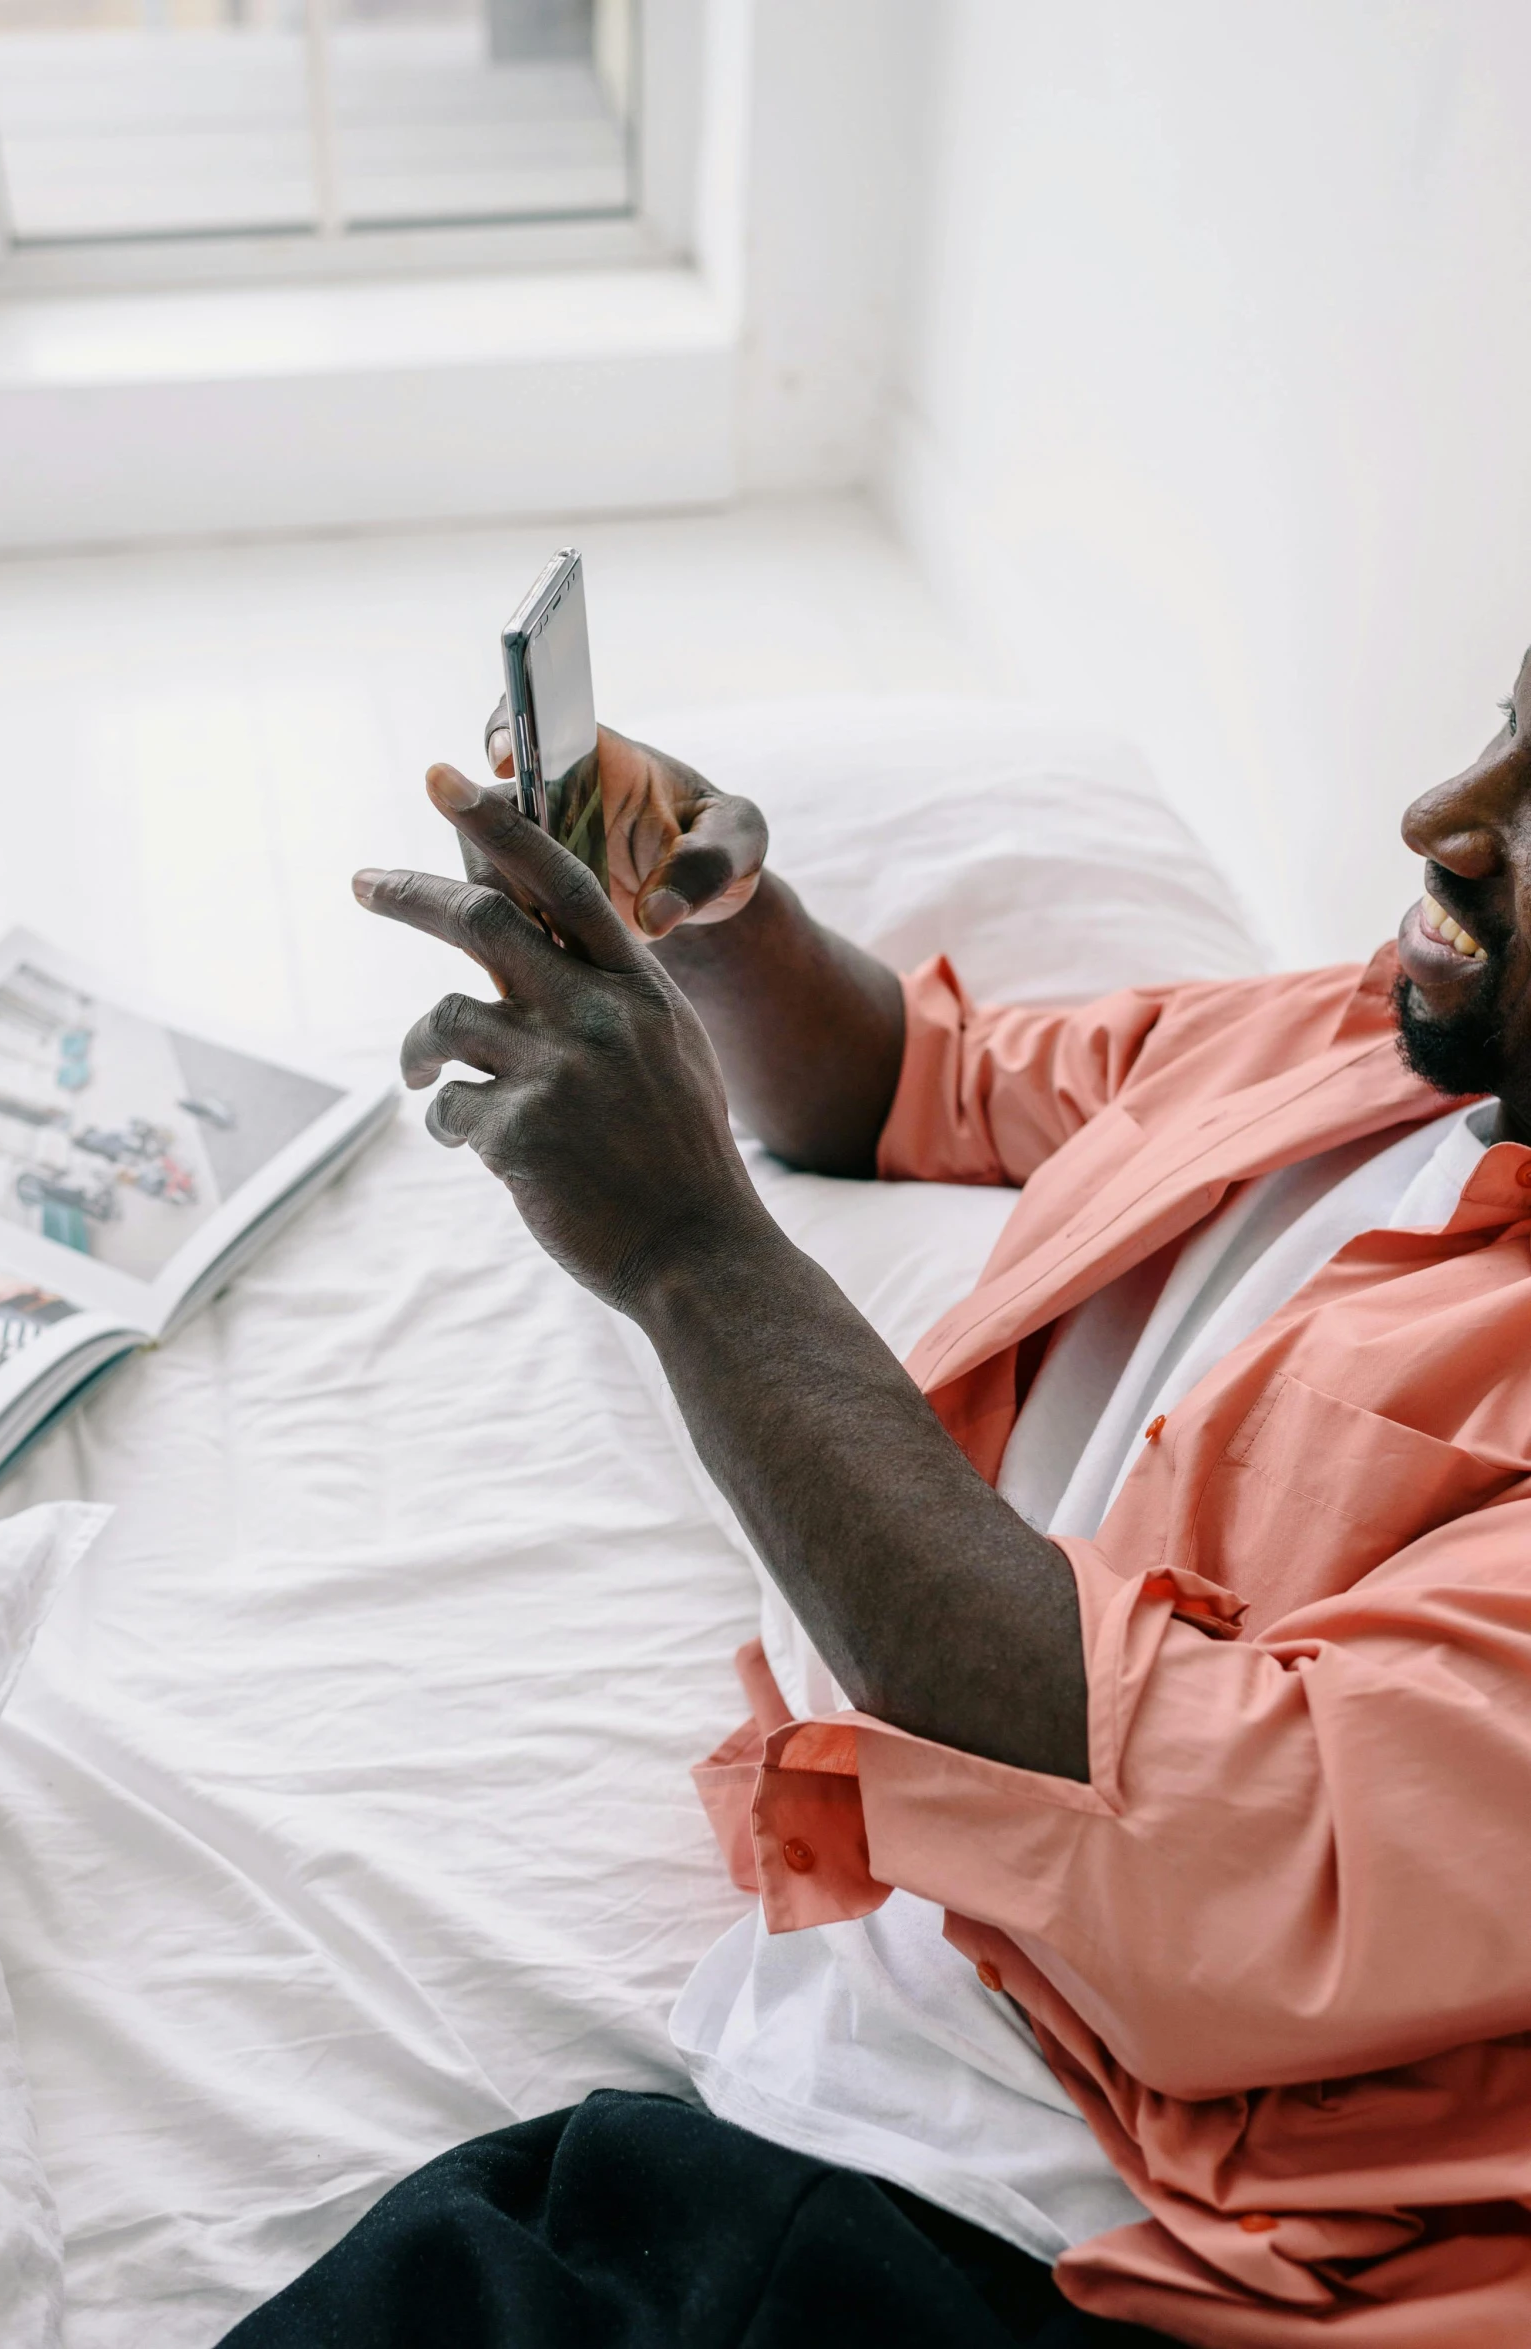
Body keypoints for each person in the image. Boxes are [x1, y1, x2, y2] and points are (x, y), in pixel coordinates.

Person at [224, 659, 1531, 2349]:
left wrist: (688, 1250)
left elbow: (1217, 1858)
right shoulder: (1382, 1039)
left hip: (1096, 2246)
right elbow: (924, 1081)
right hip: (856, 2115)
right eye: (1504, 729)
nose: (1441, 820)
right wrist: (723, 926)